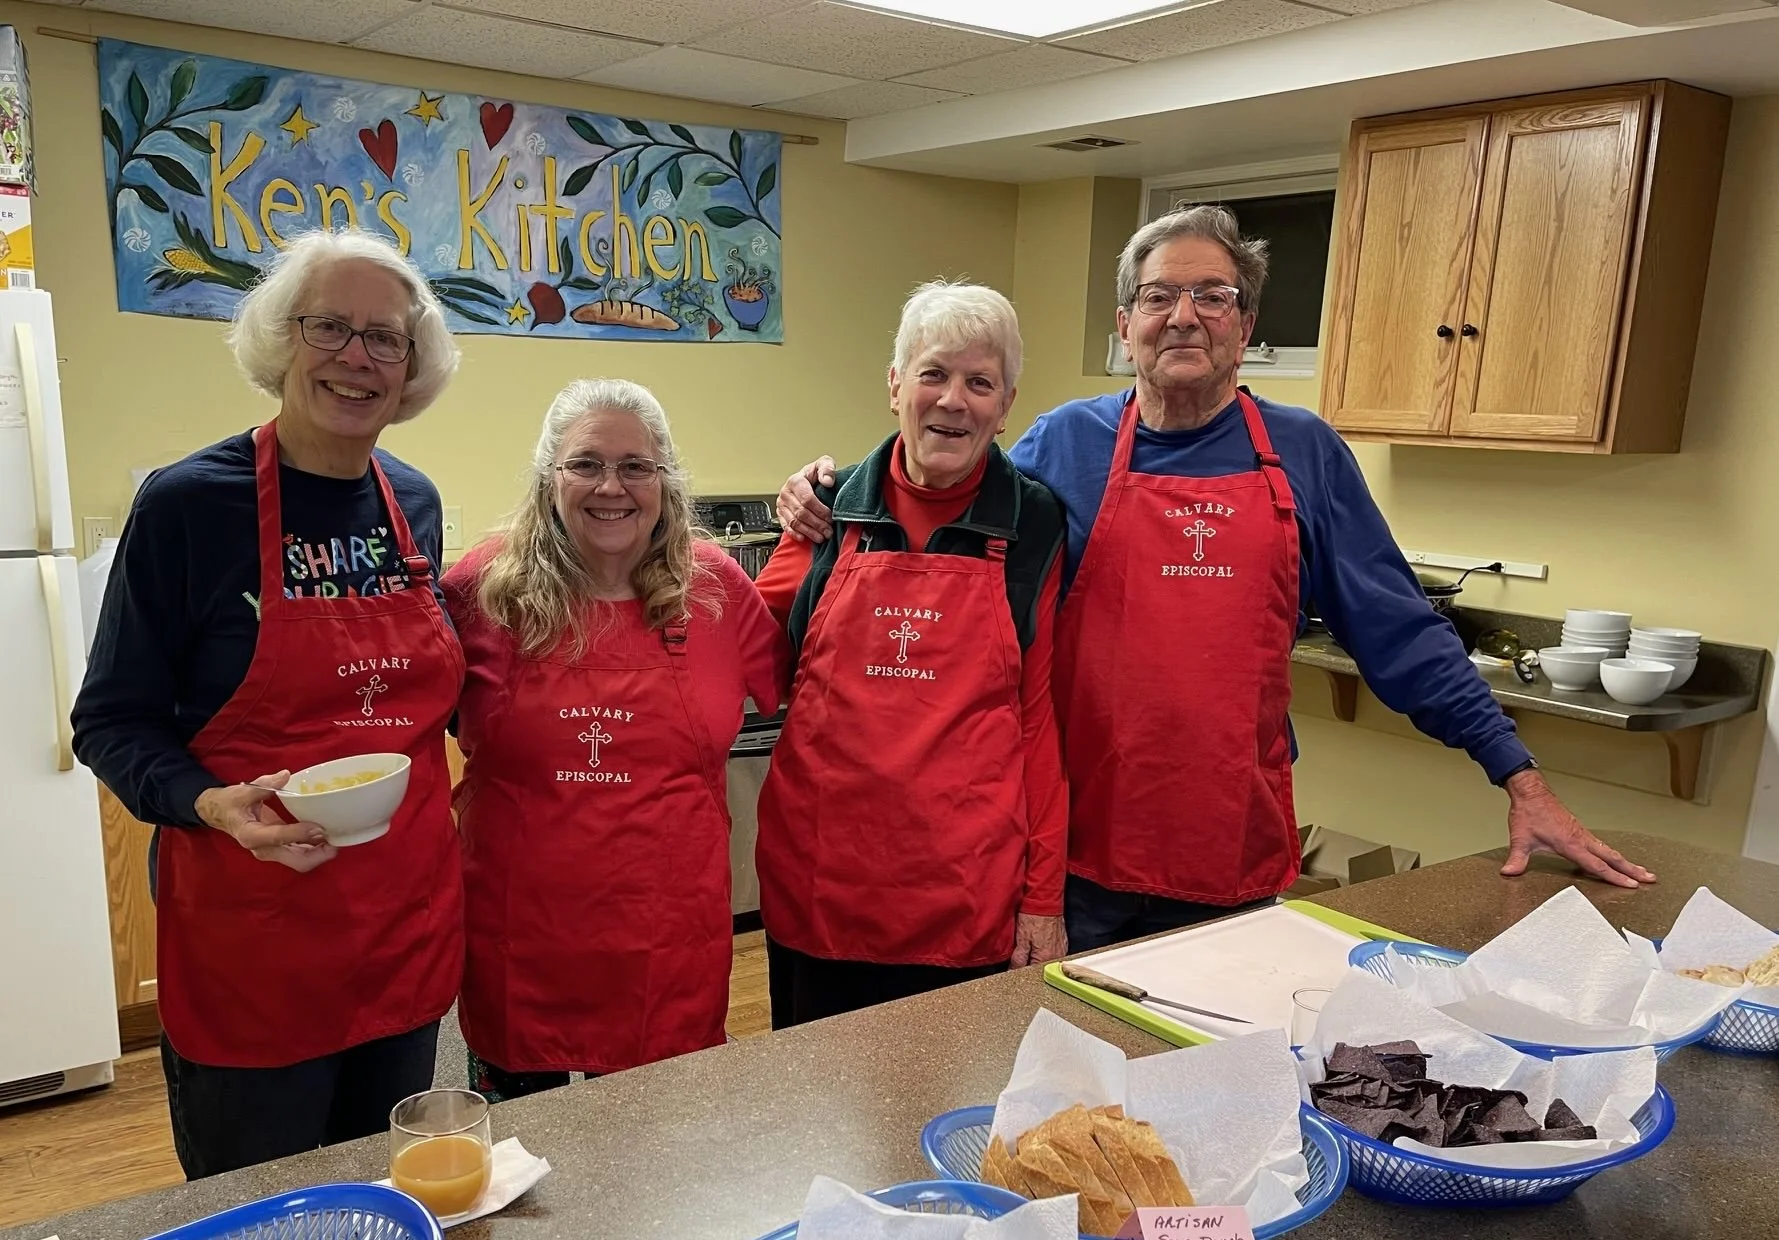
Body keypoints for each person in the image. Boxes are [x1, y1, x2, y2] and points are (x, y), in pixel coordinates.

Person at [776, 207, 1654, 955]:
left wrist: (1519, 777)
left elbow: (1401, 632)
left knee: (1212, 1094)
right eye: (1158, 297)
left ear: (1246, 325)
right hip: (1071, 858)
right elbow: (933, 502)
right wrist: (822, 493)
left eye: (1212, 296)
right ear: (1125, 328)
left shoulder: (1305, 454)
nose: (1183, 316)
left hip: (1229, 848)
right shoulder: (1062, 445)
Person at [71, 228, 464, 1179]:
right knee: (261, 1225)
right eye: (329, 326)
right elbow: (111, 721)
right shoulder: (188, 507)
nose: (356, 358)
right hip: (252, 940)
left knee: (395, 1203)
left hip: (397, 931)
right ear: (281, 342)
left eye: (386, 338)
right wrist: (208, 802)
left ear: (412, 366)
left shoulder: (410, 500)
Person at [442, 379, 788, 1102]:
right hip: (519, 942)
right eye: (585, 464)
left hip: (666, 945)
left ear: (665, 481)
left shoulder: (715, 589)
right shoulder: (479, 591)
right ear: (548, 479)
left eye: (636, 467)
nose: (612, 487)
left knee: (655, 1160)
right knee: (519, 1167)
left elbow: (810, 690)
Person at [751, 281, 1068, 1027]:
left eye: (978, 381)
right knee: (819, 1124)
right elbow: (742, 654)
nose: (953, 400)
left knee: (948, 1124)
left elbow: (1037, 723)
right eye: (932, 373)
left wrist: (1044, 897)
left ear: (1006, 403)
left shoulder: (1035, 524)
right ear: (895, 386)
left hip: (962, 900)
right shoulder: (826, 513)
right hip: (819, 892)